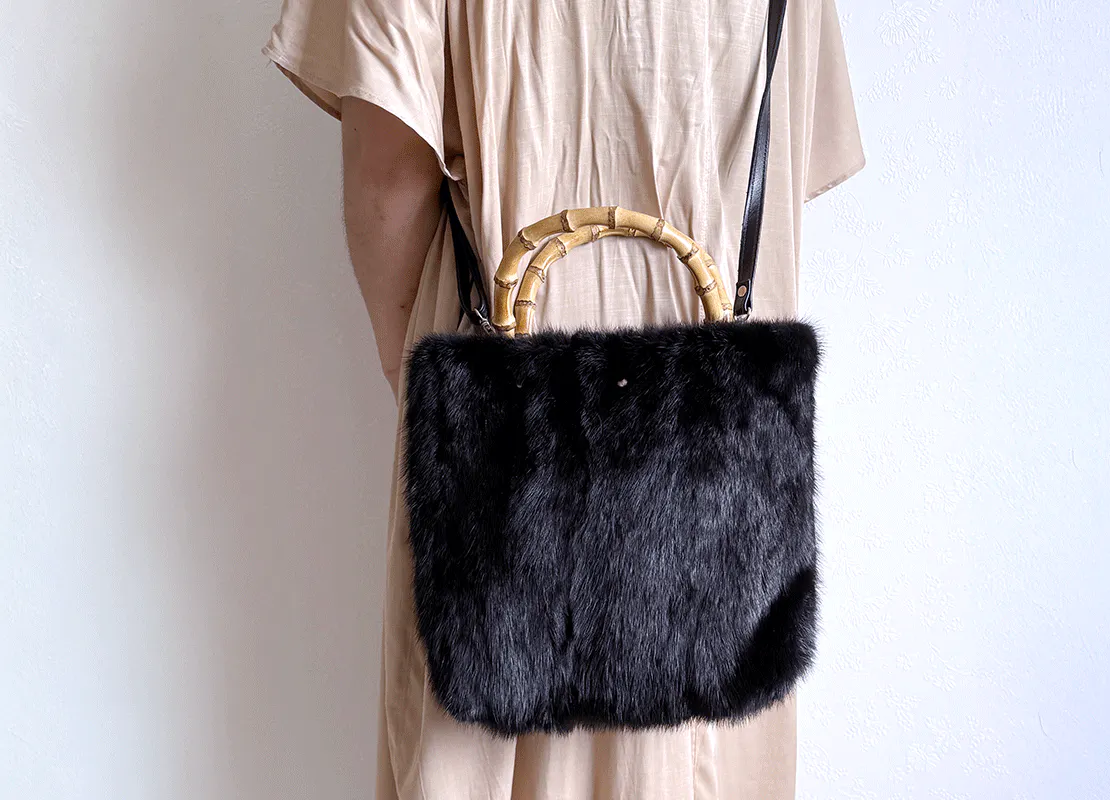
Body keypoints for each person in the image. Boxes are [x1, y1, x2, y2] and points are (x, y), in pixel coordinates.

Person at [262, 0, 864, 796]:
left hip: (508, 432)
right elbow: (784, 155)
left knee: (475, 740)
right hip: (717, 466)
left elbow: (388, 180)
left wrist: (420, 379)